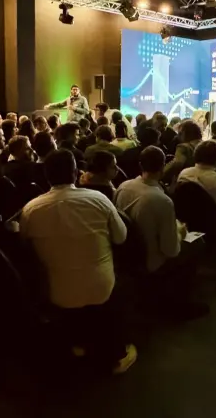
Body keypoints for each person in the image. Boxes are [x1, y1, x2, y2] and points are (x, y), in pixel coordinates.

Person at [19, 150, 134, 373]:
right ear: (75, 173)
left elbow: (26, 247)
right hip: (102, 288)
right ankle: (115, 353)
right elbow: (121, 237)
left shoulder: (30, 210)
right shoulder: (98, 199)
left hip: (57, 292)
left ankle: (78, 344)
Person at [114, 146, 182, 274]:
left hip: (125, 256)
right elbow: (171, 250)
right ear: (163, 167)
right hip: (152, 261)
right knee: (196, 244)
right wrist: (180, 234)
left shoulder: (123, 187)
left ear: (140, 165)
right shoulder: (163, 201)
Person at [162, 119, 203, 186]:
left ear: (184, 133)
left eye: (180, 133)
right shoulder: (205, 145)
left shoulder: (183, 147)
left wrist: (161, 173)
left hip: (186, 184)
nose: (178, 136)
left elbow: (176, 164)